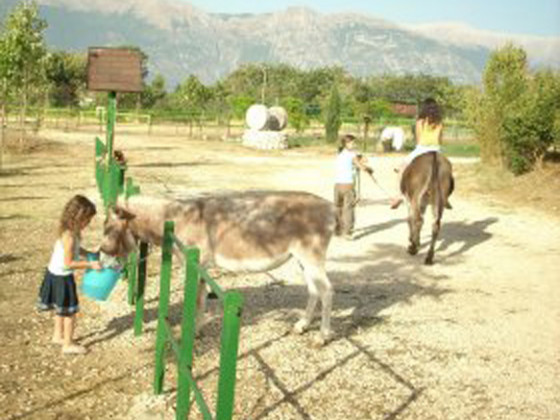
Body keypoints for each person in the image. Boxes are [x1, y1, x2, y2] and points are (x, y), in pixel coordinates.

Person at [37, 194, 102, 355]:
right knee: (70, 312)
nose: (88, 224)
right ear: (79, 218)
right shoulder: (70, 237)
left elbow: (76, 250)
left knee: (61, 308)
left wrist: (87, 253)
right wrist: (90, 265)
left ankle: (57, 336)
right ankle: (68, 344)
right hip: (62, 277)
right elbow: (69, 263)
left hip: (55, 274)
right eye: (87, 220)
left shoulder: (70, 231)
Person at [390, 98, 444, 209]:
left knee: (401, 168)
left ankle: (399, 195)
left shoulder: (420, 122)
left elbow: (419, 140)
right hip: (436, 149)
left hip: (422, 149)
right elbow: (439, 140)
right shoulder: (439, 123)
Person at [334, 134, 374, 240]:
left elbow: (358, 160)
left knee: (338, 207)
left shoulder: (339, 154)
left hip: (338, 185)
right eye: (352, 143)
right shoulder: (351, 155)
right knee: (348, 208)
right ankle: (347, 232)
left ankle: (337, 229)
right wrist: (368, 169)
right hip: (348, 185)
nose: (353, 144)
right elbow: (361, 166)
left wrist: (361, 158)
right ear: (346, 144)